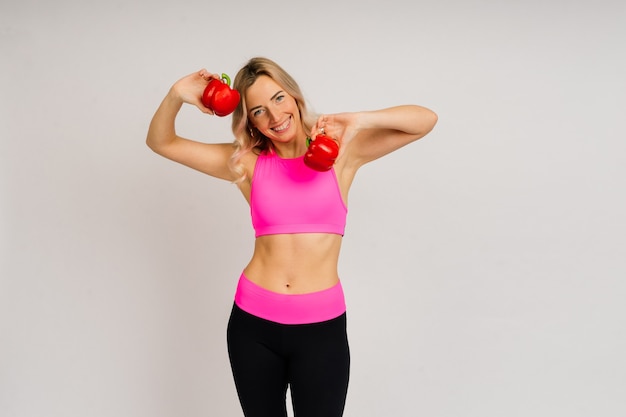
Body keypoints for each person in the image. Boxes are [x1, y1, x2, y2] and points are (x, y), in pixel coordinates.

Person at [146, 56, 437, 417]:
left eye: (279, 98)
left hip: (321, 329)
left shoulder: (341, 153)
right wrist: (177, 94)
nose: (274, 116)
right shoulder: (245, 163)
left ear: (295, 98)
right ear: (249, 121)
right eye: (258, 111)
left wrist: (358, 120)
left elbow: (425, 121)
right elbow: (161, 142)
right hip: (253, 326)